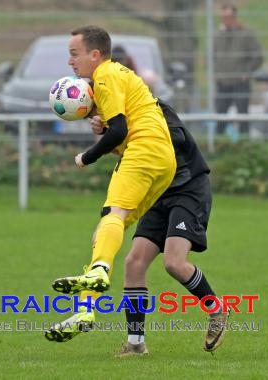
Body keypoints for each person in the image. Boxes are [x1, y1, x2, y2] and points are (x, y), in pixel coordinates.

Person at [44, 25, 177, 343]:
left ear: (95, 54)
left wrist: (86, 157)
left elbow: (119, 131)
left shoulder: (105, 75)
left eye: (74, 54)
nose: (70, 62)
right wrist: (103, 126)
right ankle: (85, 309)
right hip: (163, 160)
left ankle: (100, 270)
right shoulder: (117, 76)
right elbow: (119, 129)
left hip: (144, 151)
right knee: (106, 230)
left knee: (112, 218)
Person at [82, 101, 230, 357]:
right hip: (157, 191)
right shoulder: (117, 116)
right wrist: (108, 131)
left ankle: (216, 308)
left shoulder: (152, 107)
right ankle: (136, 343)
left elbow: (176, 138)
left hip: (188, 187)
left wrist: (118, 132)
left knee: (174, 262)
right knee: (134, 262)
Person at [214, 1, 263, 135]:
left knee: (243, 118)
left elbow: (258, 56)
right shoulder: (217, 35)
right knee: (220, 119)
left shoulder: (246, 34)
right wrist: (216, 74)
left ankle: (244, 147)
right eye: (223, 17)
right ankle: (218, 147)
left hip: (240, 84)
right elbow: (212, 57)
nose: (225, 20)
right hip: (222, 84)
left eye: (228, 17)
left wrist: (247, 71)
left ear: (234, 17)